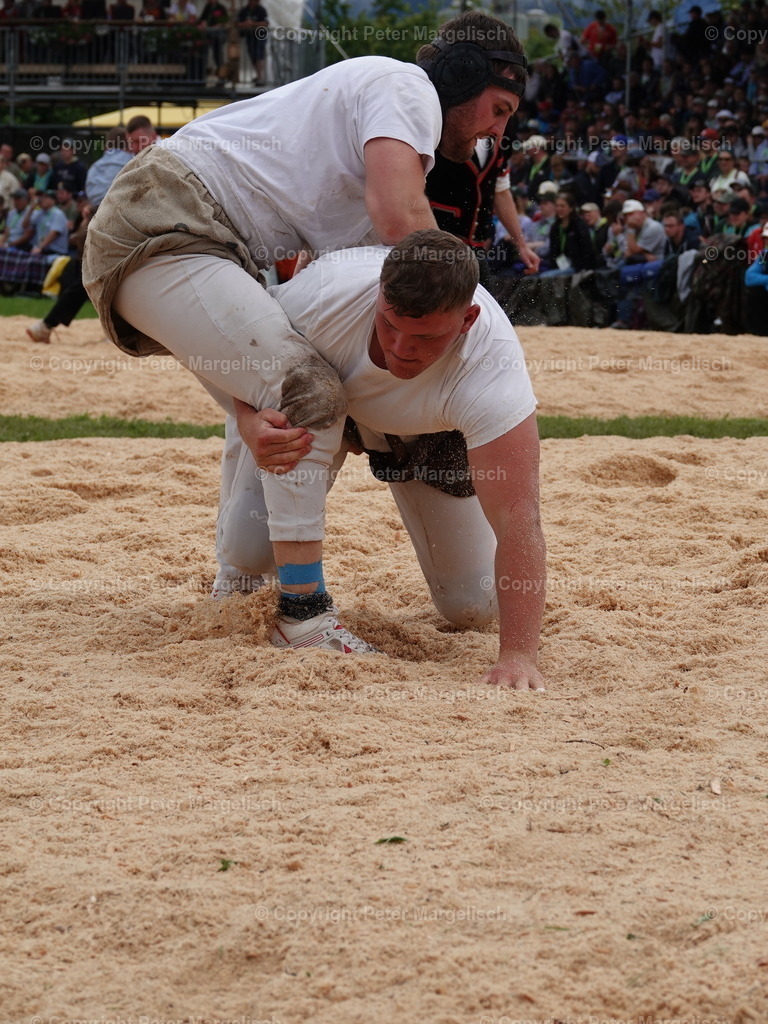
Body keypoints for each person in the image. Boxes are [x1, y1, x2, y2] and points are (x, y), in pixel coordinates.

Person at [83, 11, 531, 656]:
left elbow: (290, 321)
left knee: (296, 381)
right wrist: (471, 317)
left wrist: (246, 413)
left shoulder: (371, 169)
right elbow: (403, 219)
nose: (499, 128)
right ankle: (302, 611)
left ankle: (238, 582)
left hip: (205, 243)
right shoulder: (405, 86)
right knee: (309, 386)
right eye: (499, 107)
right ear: (459, 80)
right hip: (168, 221)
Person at [213, 230, 546, 690]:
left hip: (426, 432)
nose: (401, 349)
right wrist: (249, 421)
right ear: (377, 295)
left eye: (425, 336)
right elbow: (231, 348)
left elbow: (518, 515)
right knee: (247, 553)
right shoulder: (324, 295)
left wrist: (519, 655)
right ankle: (233, 571)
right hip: (319, 403)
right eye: (389, 325)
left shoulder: (492, 369)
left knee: (473, 607)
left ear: (468, 320)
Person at [541, 191, 596, 275]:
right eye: (557, 206)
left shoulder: (579, 225)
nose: (559, 209)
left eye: (562, 206)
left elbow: (587, 249)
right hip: (559, 265)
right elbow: (553, 251)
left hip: (577, 267)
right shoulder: (555, 227)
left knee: (546, 277)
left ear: (571, 208)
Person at [84, 126, 133, 207]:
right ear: (128, 142)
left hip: (96, 212)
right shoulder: (132, 162)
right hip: (121, 210)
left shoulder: (95, 166)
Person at [237, 0, 268, 86]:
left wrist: (253, 24)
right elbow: (238, 23)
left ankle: (260, 76)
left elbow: (265, 23)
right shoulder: (244, 10)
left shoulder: (261, 10)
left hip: (260, 36)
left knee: (259, 55)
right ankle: (259, 76)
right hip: (249, 37)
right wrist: (245, 24)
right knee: (253, 55)